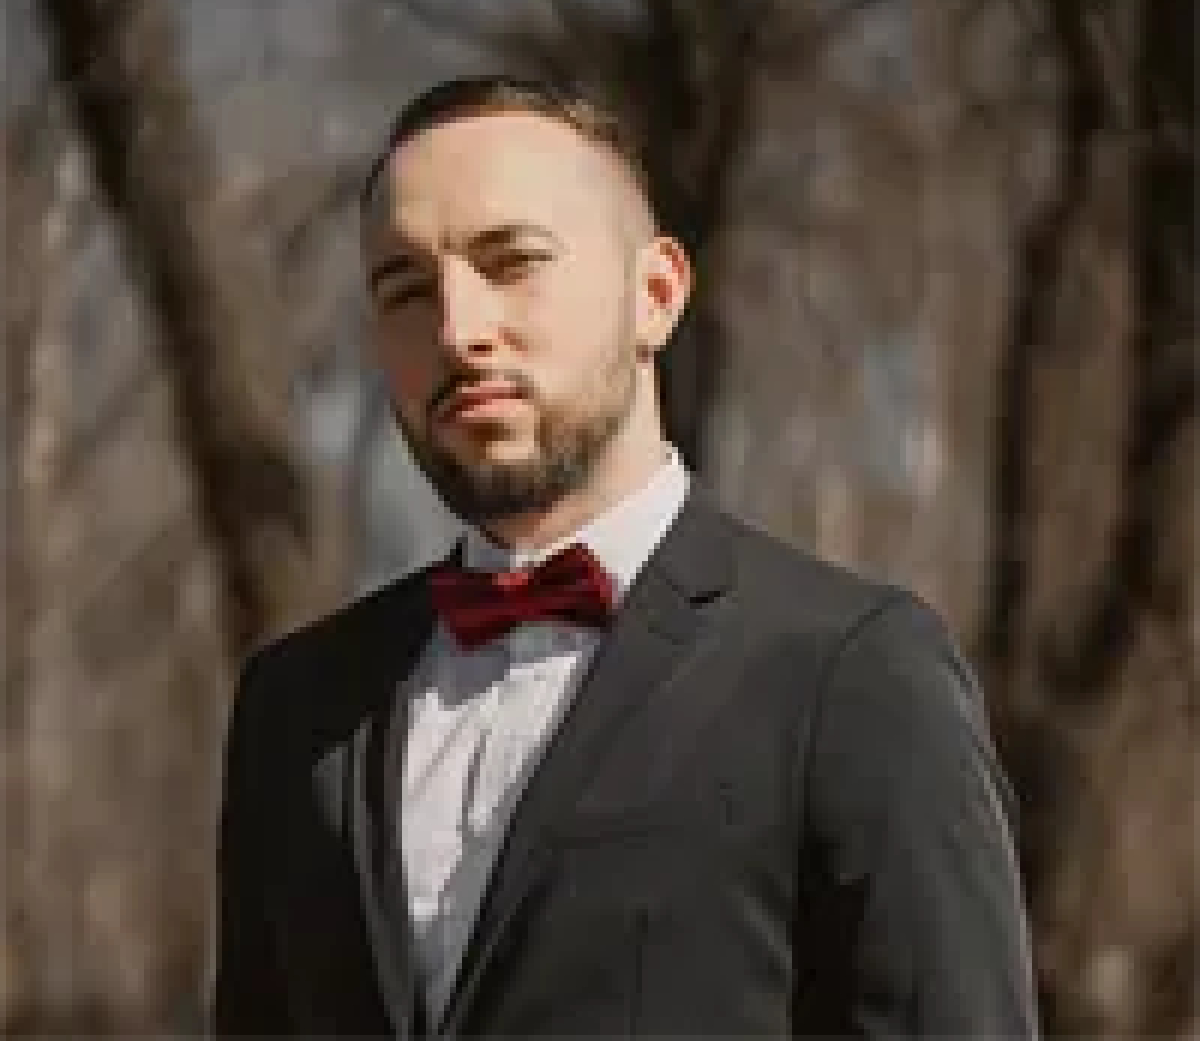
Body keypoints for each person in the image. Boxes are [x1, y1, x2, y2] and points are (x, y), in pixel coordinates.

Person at [210, 75, 1040, 1037]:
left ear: (656, 296)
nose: (458, 331)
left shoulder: (850, 672)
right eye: (405, 288)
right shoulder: (296, 707)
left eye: (512, 261)